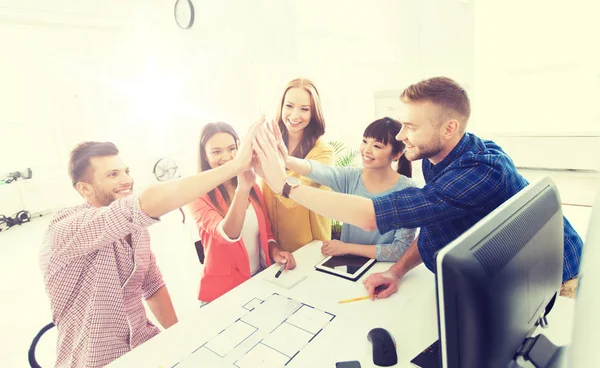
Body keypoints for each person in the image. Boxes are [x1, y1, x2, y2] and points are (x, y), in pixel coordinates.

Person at [252, 76, 583, 300]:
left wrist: (284, 185)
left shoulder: (483, 170)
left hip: (561, 279)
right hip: (509, 279)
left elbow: (373, 216)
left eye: (410, 126)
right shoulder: (437, 157)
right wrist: (396, 272)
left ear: (449, 127)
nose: (399, 136)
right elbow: (434, 222)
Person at [39, 120, 260, 367]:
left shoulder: (137, 231)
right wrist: (236, 166)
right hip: (95, 360)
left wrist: (182, 338)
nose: (126, 180)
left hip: (147, 349)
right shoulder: (65, 229)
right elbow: (140, 205)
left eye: (126, 171)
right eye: (112, 174)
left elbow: (152, 284)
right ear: (85, 189)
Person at [187, 122, 296, 305]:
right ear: (205, 156)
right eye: (216, 152)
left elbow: (266, 232)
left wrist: (275, 251)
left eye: (232, 149)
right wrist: (242, 189)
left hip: (259, 279)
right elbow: (228, 234)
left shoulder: (251, 183)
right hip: (223, 294)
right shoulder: (196, 194)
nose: (227, 157)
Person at [282, 117, 418, 261]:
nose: (366, 150)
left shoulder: (409, 190)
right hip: (348, 265)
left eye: (377, 146)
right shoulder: (351, 177)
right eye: (365, 141)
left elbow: (401, 249)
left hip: (384, 270)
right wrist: (285, 159)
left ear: (396, 154)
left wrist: (346, 248)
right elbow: (318, 170)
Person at [259, 77, 334, 253]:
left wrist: (267, 173)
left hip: (308, 249)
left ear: (314, 113)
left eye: (304, 109)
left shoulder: (322, 153)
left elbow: (296, 199)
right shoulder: (270, 143)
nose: (294, 115)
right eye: (289, 106)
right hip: (273, 247)